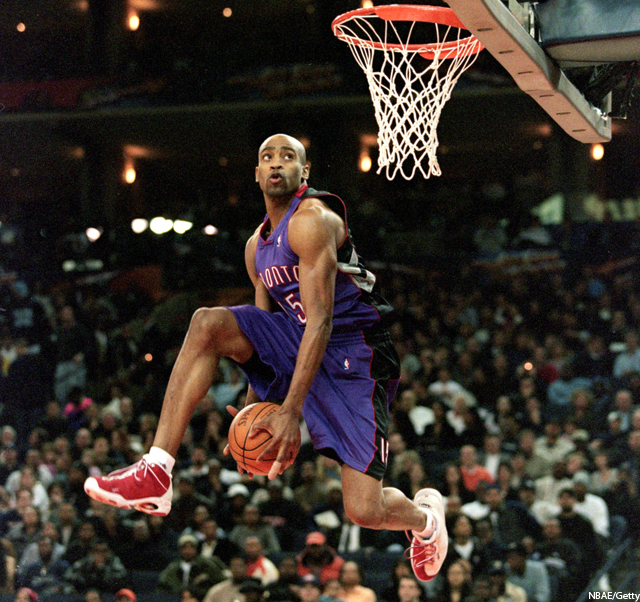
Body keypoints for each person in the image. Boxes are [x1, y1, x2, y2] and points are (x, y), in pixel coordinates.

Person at [84, 133, 447, 583]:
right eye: (267, 157)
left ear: (304, 172)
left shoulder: (313, 220)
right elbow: (262, 332)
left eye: (288, 156)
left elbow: (321, 323)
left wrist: (289, 412)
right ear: (256, 174)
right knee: (208, 323)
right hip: (299, 339)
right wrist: (256, 405)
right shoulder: (256, 247)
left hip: (355, 355)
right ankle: (157, 470)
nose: (277, 163)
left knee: (364, 510)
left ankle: (427, 521)